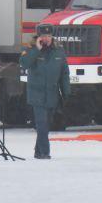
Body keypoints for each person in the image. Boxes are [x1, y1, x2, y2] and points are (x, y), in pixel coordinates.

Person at [22, 24, 70, 159]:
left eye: (49, 36)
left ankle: (38, 151)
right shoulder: (31, 49)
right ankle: (44, 152)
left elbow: (64, 73)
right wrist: (36, 49)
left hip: (52, 93)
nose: (47, 39)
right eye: (44, 36)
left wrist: (66, 92)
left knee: (46, 124)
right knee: (41, 123)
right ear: (38, 37)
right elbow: (24, 63)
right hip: (36, 93)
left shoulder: (59, 51)